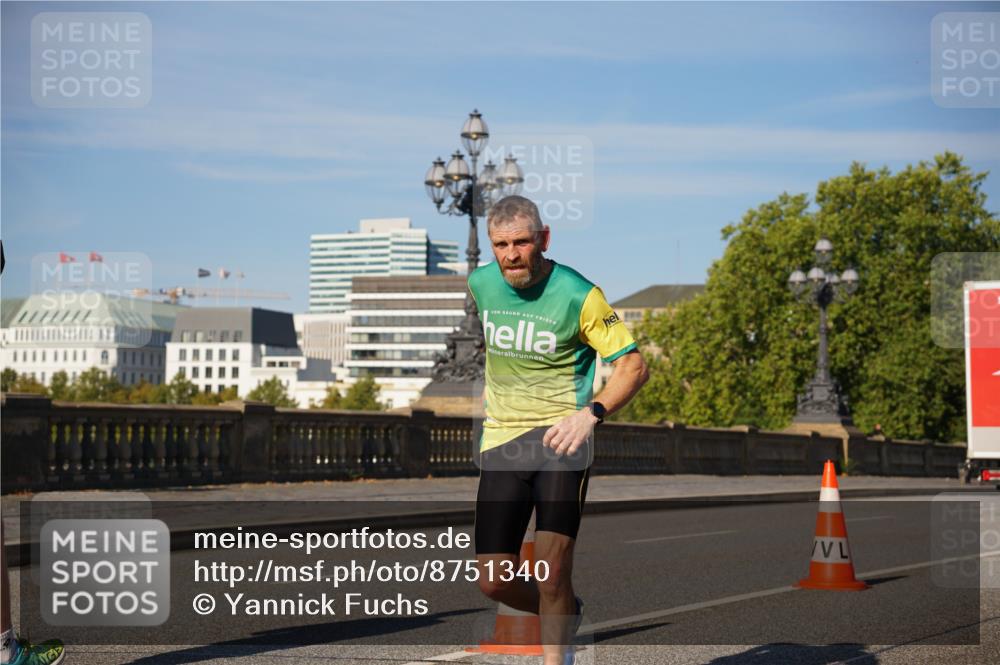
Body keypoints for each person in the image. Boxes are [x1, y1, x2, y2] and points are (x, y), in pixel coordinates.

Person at [470, 196, 649, 664]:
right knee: (493, 580)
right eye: (500, 245)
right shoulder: (481, 283)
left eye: (522, 242)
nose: (511, 255)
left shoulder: (580, 294)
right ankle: (567, 613)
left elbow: (632, 365)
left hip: (561, 443)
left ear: (543, 239)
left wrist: (591, 413)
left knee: (551, 574)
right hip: (503, 442)